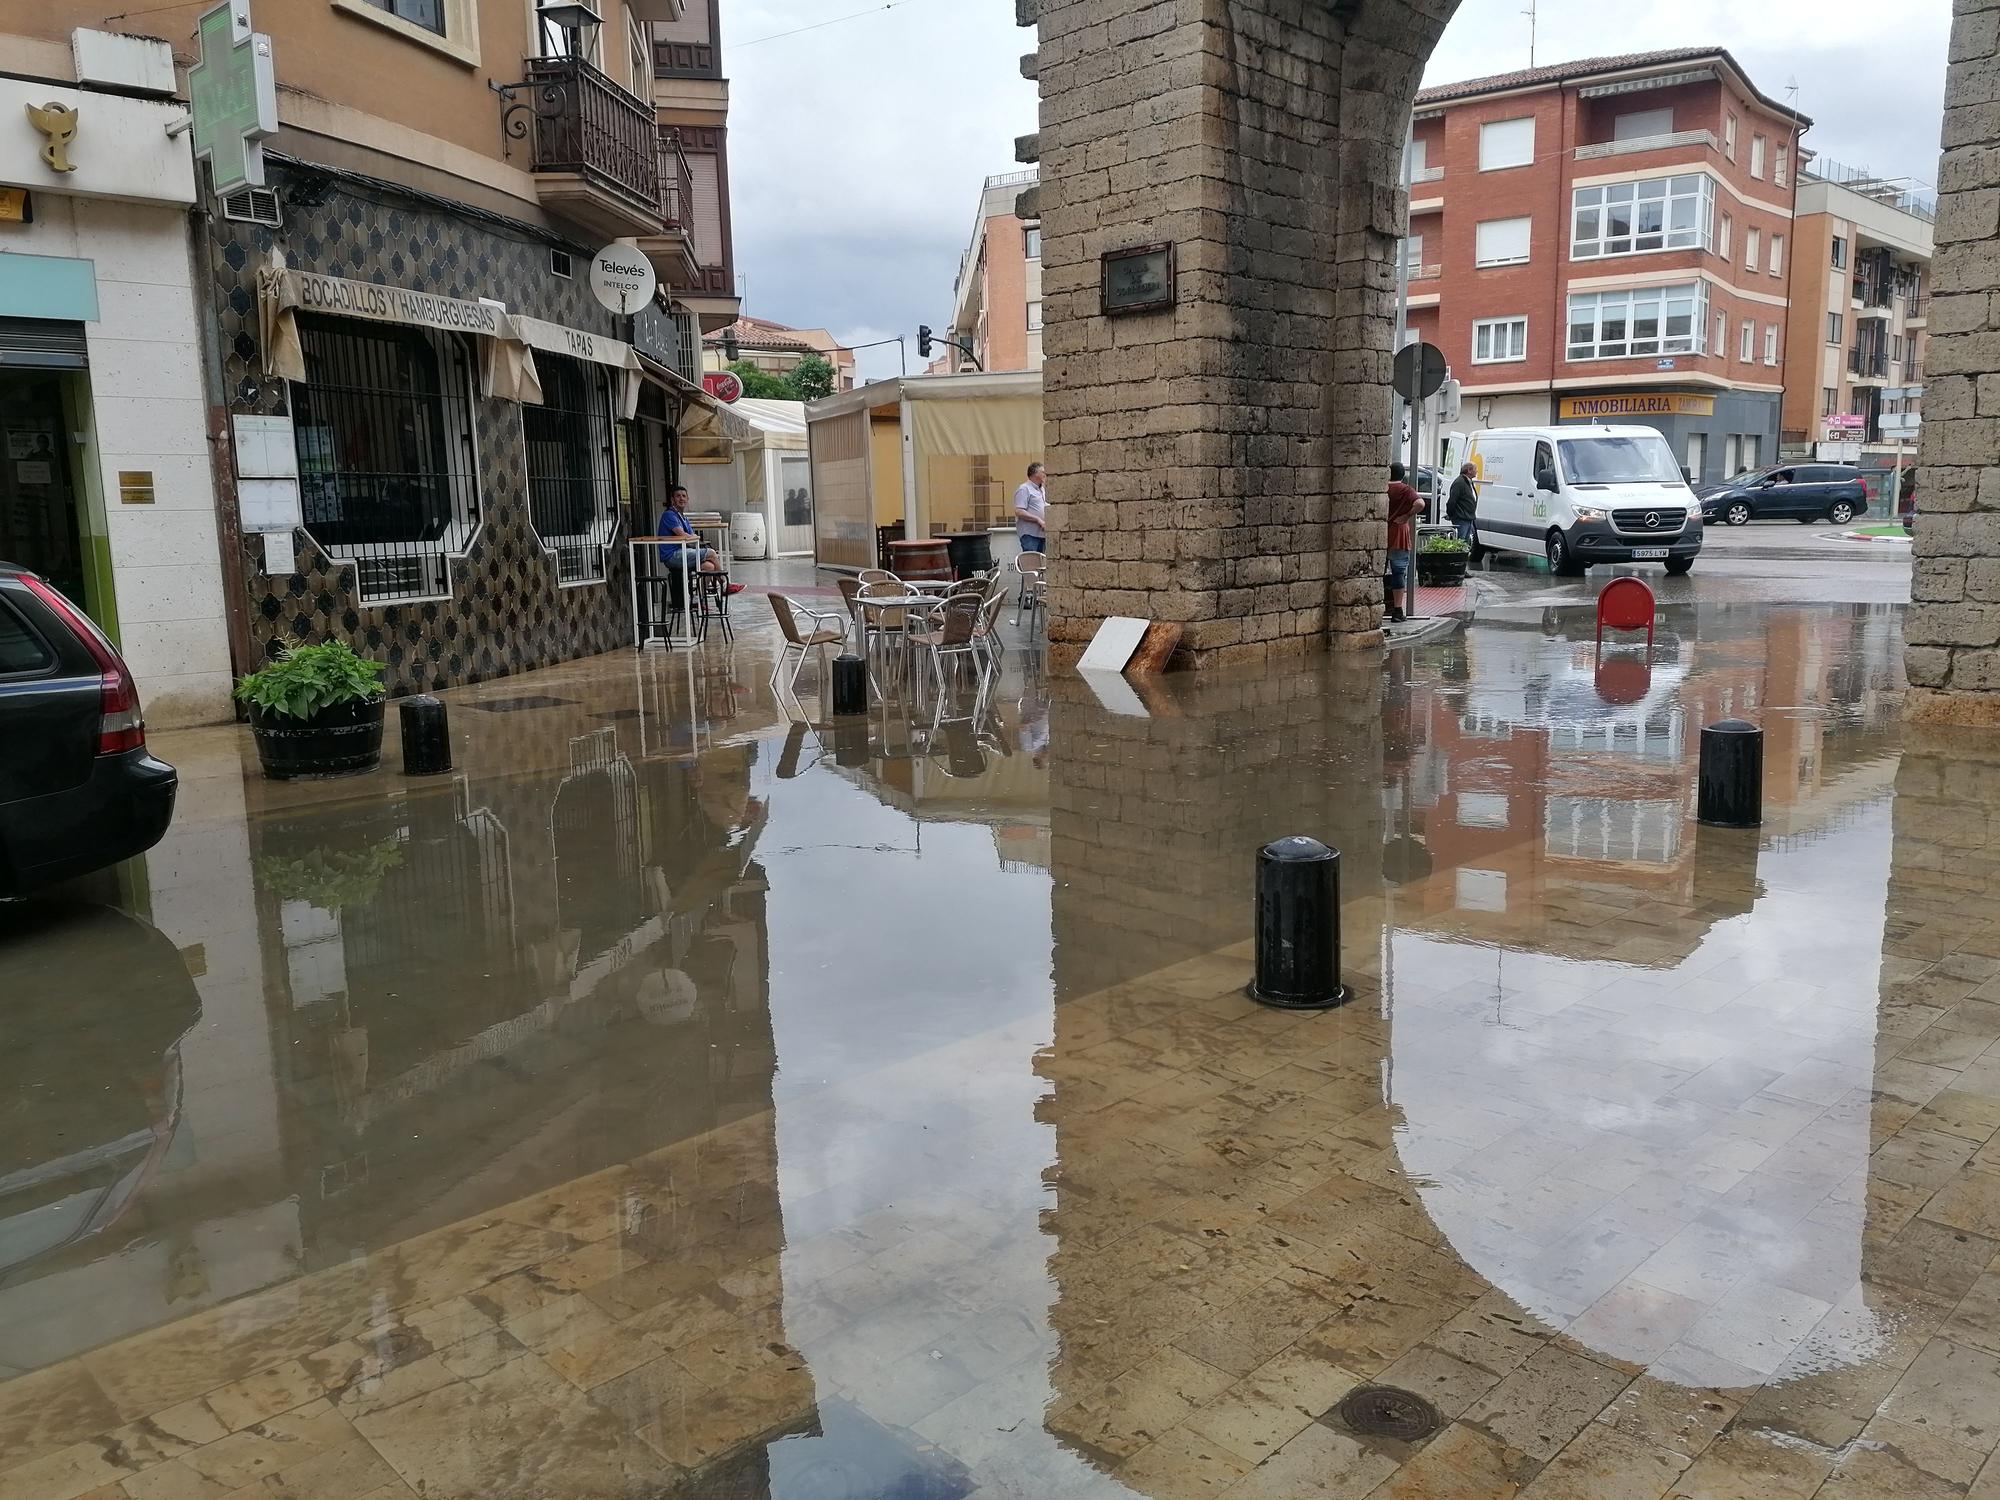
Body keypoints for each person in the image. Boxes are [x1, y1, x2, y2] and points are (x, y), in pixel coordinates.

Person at [656, 487, 743, 595]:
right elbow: (684, 536)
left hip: (683, 553)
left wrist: (695, 540)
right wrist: (697, 543)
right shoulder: (669, 515)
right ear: (672, 500)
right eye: (678, 496)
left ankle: (700, 600)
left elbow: (692, 537)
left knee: (709, 567)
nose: (681, 498)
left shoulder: (683, 517)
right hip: (672, 556)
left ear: (688, 499)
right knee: (711, 553)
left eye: (684, 496)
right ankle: (724, 584)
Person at [1385, 463, 1421, 623]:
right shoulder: (1406, 490)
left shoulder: (1382, 488)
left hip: (1380, 532)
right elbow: (1420, 504)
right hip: (1399, 534)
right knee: (1398, 572)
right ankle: (1398, 610)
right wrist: (1407, 516)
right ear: (1402, 475)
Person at [1014, 462, 1048, 554]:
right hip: (1030, 534)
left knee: (1041, 564)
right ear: (1035, 474)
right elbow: (1019, 511)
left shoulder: (1042, 489)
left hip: (1042, 534)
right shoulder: (1024, 489)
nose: (1045, 474)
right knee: (1031, 563)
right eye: (1043, 472)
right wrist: (1038, 520)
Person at [1446, 461, 1479, 547]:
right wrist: (1452, 515)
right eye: (1475, 469)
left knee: (1466, 543)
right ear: (1469, 470)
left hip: (1468, 517)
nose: (1477, 471)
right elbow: (1452, 501)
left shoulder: (1468, 481)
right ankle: (1459, 560)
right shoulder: (1459, 482)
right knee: (1460, 542)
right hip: (1461, 518)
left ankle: (1463, 559)